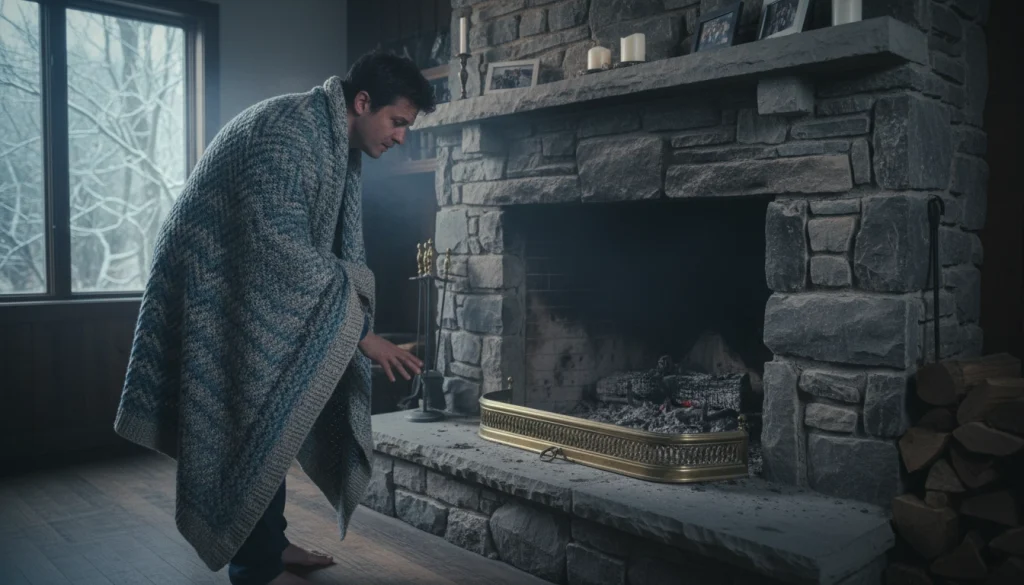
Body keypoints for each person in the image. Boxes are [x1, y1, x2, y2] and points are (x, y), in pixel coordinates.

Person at [113, 51, 435, 585]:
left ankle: (270, 545)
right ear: (362, 103)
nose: (402, 137)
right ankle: (254, 565)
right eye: (398, 122)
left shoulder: (327, 130)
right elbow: (276, 247)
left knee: (277, 406)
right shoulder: (292, 132)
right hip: (212, 282)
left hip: (238, 276)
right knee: (249, 410)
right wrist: (360, 332)